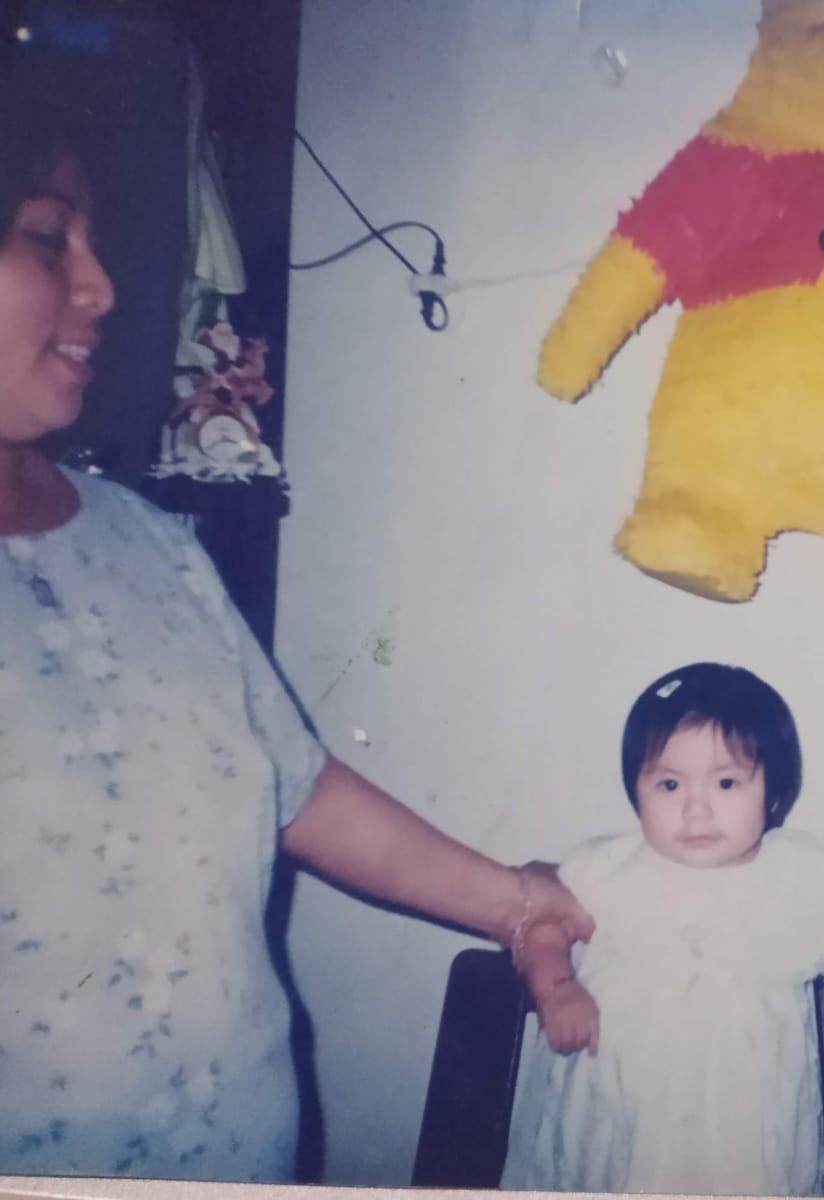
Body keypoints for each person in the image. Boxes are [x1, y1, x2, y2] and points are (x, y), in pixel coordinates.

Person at [0, 105, 591, 1181]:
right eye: (46, 235)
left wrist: (516, 903)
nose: (100, 286)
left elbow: (295, 786)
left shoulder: (143, 538)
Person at [500, 662, 824, 1196]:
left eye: (726, 783)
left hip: (742, 1138)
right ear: (636, 790)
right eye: (669, 784)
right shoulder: (609, 870)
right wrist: (557, 987)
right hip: (612, 1125)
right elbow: (543, 922)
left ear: (773, 791)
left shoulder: (800, 880)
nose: (696, 809)